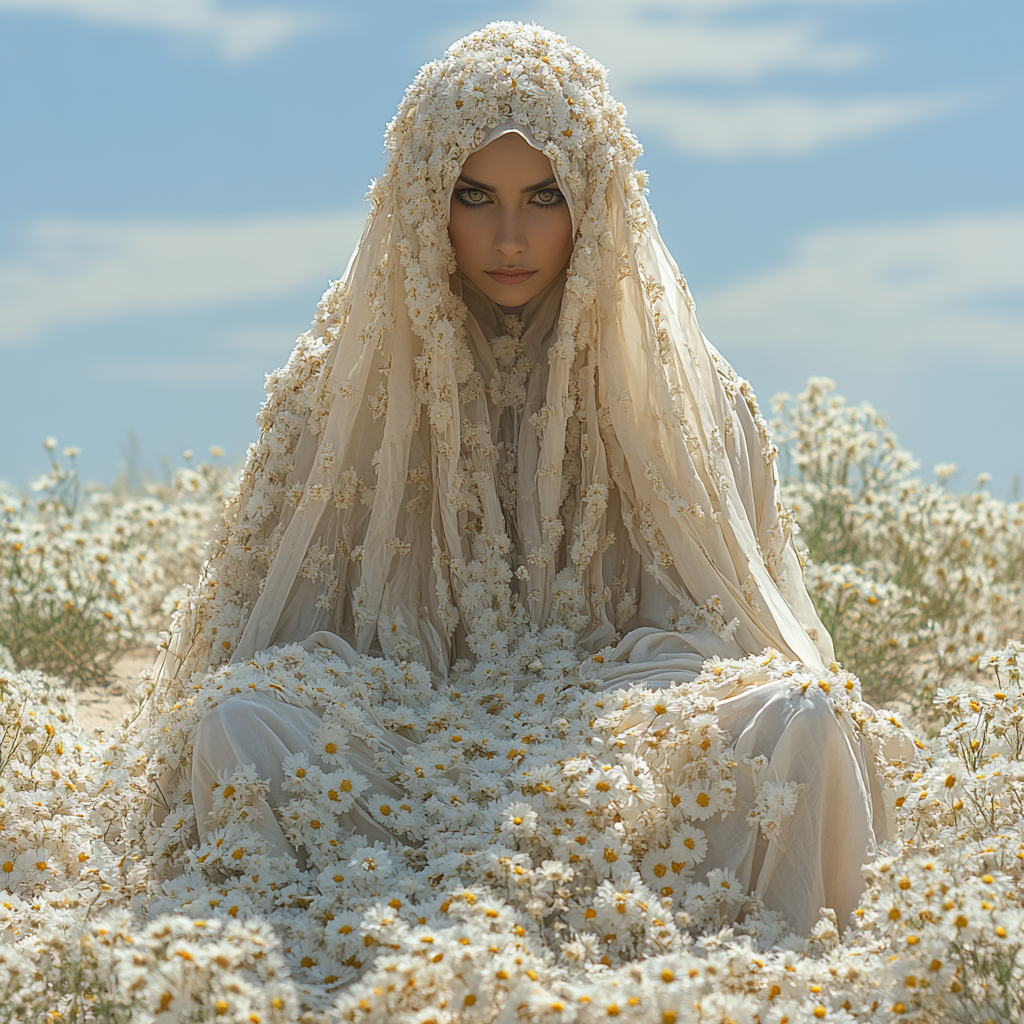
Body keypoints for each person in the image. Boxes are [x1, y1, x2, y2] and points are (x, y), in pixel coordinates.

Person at [140, 22, 895, 936]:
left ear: (596, 201)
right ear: (425, 203)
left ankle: (715, 950)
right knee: (239, 724)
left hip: (620, 741)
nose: (508, 235)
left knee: (803, 717)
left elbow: (730, 638)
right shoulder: (333, 393)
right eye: (474, 196)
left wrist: (591, 727)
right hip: (399, 743)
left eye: (544, 195)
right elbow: (279, 642)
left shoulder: (687, 397)